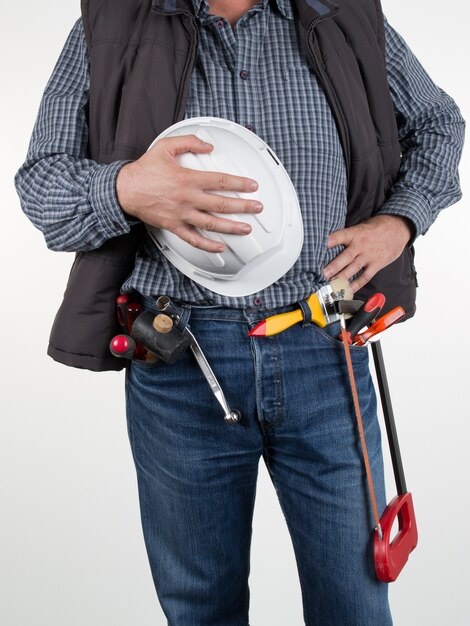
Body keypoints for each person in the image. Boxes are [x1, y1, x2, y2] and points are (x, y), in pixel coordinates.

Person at [15, 0, 464, 624]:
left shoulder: (345, 13)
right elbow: (42, 185)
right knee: (201, 608)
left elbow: (439, 124)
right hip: (180, 363)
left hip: (325, 350)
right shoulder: (110, 22)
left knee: (355, 604)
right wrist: (125, 189)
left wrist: (399, 220)